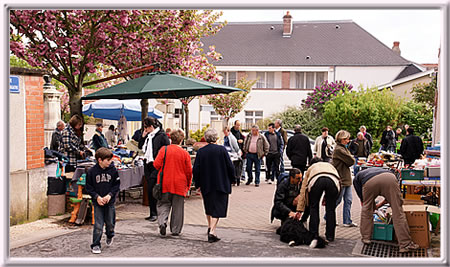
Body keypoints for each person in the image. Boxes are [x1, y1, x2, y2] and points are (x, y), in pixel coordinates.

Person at [353, 167, 420, 253]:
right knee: (397, 212)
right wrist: (381, 204)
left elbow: (364, 202)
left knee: (366, 210)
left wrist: (374, 206)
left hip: (369, 182)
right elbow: (391, 199)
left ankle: (366, 238)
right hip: (389, 179)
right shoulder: (381, 170)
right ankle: (405, 244)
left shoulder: (357, 179)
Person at [193, 128, 235, 243]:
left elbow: (196, 169)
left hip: (206, 183)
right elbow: (230, 166)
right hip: (221, 183)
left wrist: (197, 184)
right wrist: (233, 179)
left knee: (209, 206)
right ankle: (212, 231)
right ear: (216, 138)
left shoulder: (201, 151)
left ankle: (210, 227)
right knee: (218, 207)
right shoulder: (222, 150)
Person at [153, 129, 192, 237]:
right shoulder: (185, 153)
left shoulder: (164, 150)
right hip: (180, 184)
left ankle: (162, 222)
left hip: (165, 182)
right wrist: (188, 185)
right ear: (181, 140)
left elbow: (156, 165)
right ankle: (175, 230)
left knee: (163, 204)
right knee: (178, 207)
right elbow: (189, 172)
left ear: (170, 138)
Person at [295, 157, 340, 242]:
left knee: (314, 208)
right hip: (333, 181)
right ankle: (330, 236)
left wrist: (299, 209)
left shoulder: (311, 168)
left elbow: (303, 190)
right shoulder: (330, 166)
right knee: (330, 210)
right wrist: (329, 198)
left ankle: (314, 234)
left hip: (316, 180)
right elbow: (339, 183)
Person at [85, 147, 120, 254]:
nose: (110, 162)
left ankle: (110, 234)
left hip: (110, 202)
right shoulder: (91, 172)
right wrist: (97, 197)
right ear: (100, 160)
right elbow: (88, 187)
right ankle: (95, 244)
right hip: (98, 202)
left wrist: (109, 195)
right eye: (108, 160)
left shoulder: (113, 170)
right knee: (98, 225)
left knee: (110, 223)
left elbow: (116, 185)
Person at [138, 117, 170, 222]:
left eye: (146, 127)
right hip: (148, 163)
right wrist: (142, 137)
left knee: (153, 188)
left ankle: (155, 213)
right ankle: (152, 212)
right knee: (149, 187)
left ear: (151, 126)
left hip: (157, 165)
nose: (145, 130)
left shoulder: (162, 136)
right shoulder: (148, 136)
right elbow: (140, 147)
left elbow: (166, 150)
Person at [331, 130, 357, 227]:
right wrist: (351, 158)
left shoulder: (342, 148)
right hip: (341, 178)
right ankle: (328, 216)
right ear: (341, 139)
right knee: (338, 200)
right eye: (346, 139)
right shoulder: (339, 150)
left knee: (348, 200)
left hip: (346, 178)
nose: (348, 140)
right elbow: (351, 161)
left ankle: (347, 220)